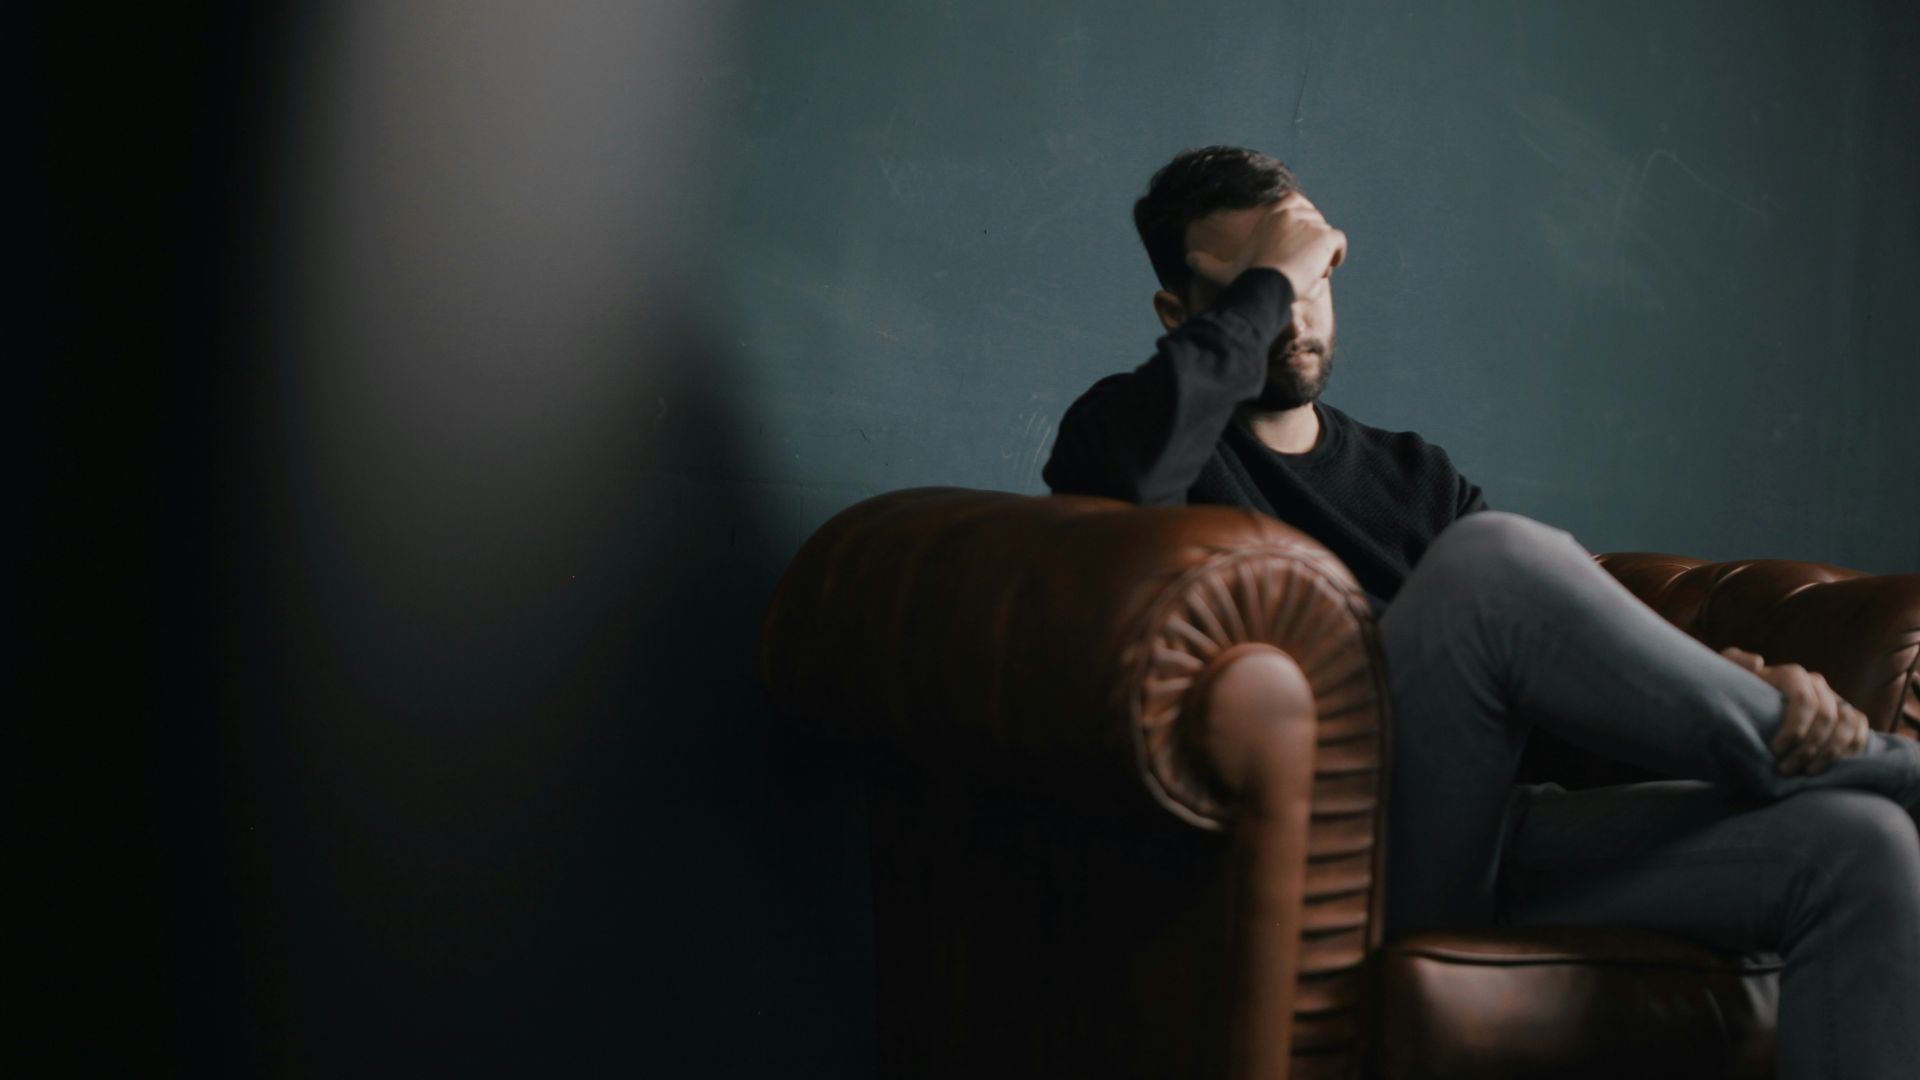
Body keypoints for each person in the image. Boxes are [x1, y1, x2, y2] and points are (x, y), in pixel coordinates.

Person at [1042, 145, 1920, 1080]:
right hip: (1343, 860)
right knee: (1493, 562)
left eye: (1315, 274)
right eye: (1265, 284)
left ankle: (1838, 771)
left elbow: (1553, 684)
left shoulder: (1417, 476)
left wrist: (1722, 681)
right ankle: (1886, 768)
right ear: (1181, 315)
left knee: (1862, 849)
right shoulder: (1126, 432)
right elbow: (1128, 485)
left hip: (1496, 838)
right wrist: (1278, 268)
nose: (1295, 311)